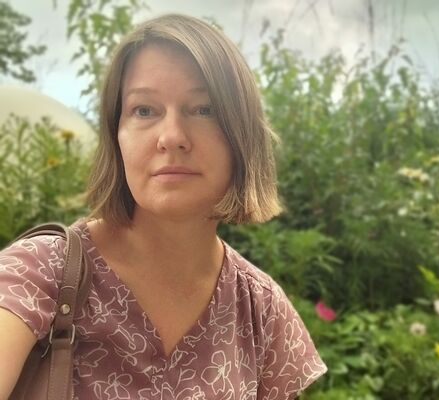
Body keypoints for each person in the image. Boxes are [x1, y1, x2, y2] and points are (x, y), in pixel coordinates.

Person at [0, 13, 327, 399]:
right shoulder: (39, 272)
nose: (172, 137)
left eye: (203, 109)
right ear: (116, 136)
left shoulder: (262, 310)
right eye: (144, 110)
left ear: (242, 136)